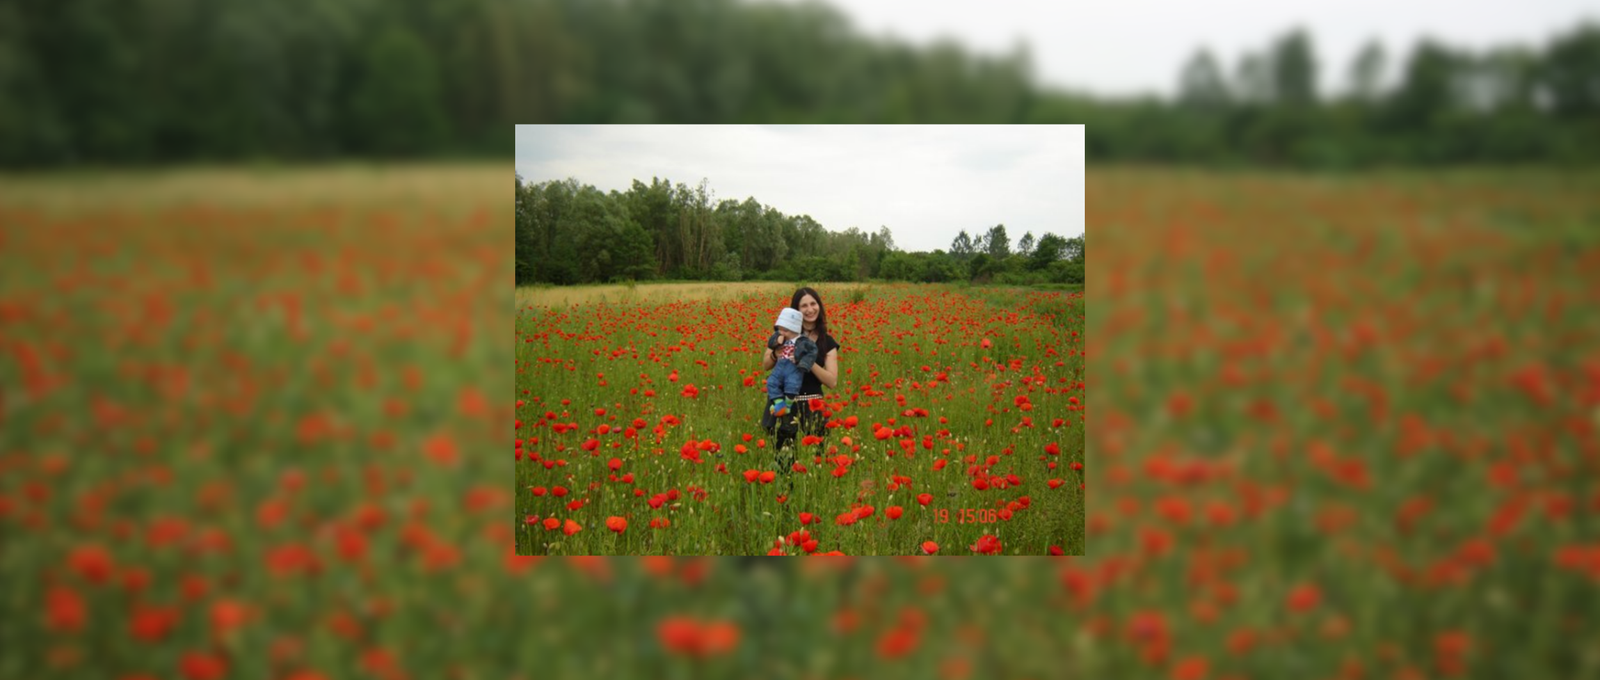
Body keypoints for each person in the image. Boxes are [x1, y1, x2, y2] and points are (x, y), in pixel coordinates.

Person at [760, 287, 841, 473]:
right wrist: (776, 353)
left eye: (813, 304)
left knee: (814, 468)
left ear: (819, 306)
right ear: (796, 310)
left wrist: (807, 361)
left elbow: (832, 381)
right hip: (783, 407)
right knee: (784, 466)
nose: (810, 309)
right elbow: (765, 365)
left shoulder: (827, 342)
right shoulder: (783, 334)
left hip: (812, 409)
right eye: (804, 306)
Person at [765, 307, 818, 419]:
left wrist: (803, 362)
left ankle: (787, 406)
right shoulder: (779, 336)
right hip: (780, 366)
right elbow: (770, 343)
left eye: (785, 330)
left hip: (794, 368)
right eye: (780, 329)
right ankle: (780, 404)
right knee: (771, 382)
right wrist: (776, 341)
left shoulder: (803, 341)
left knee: (792, 385)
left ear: (795, 330)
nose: (781, 332)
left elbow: (813, 352)